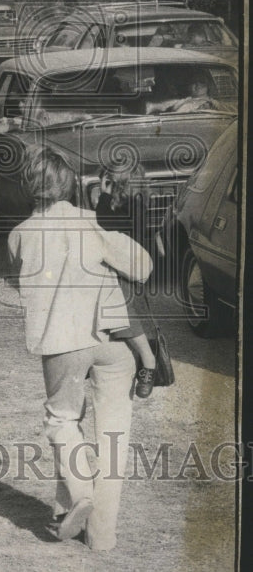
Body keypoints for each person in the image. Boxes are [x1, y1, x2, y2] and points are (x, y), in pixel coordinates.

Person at [7, 146, 152, 551]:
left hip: (63, 342)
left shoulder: (20, 234)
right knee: (114, 435)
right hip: (113, 340)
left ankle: (79, 490)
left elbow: (21, 279)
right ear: (68, 183)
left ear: (27, 186)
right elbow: (143, 267)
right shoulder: (91, 223)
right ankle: (103, 535)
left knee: (62, 420)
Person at [94, 164, 157, 397]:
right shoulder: (134, 203)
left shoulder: (133, 205)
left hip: (128, 270)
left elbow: (104, 223)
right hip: (124, 265)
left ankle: (148, 360)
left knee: (123, 310)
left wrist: (104, 194)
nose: (107, 182)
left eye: (110, 180)